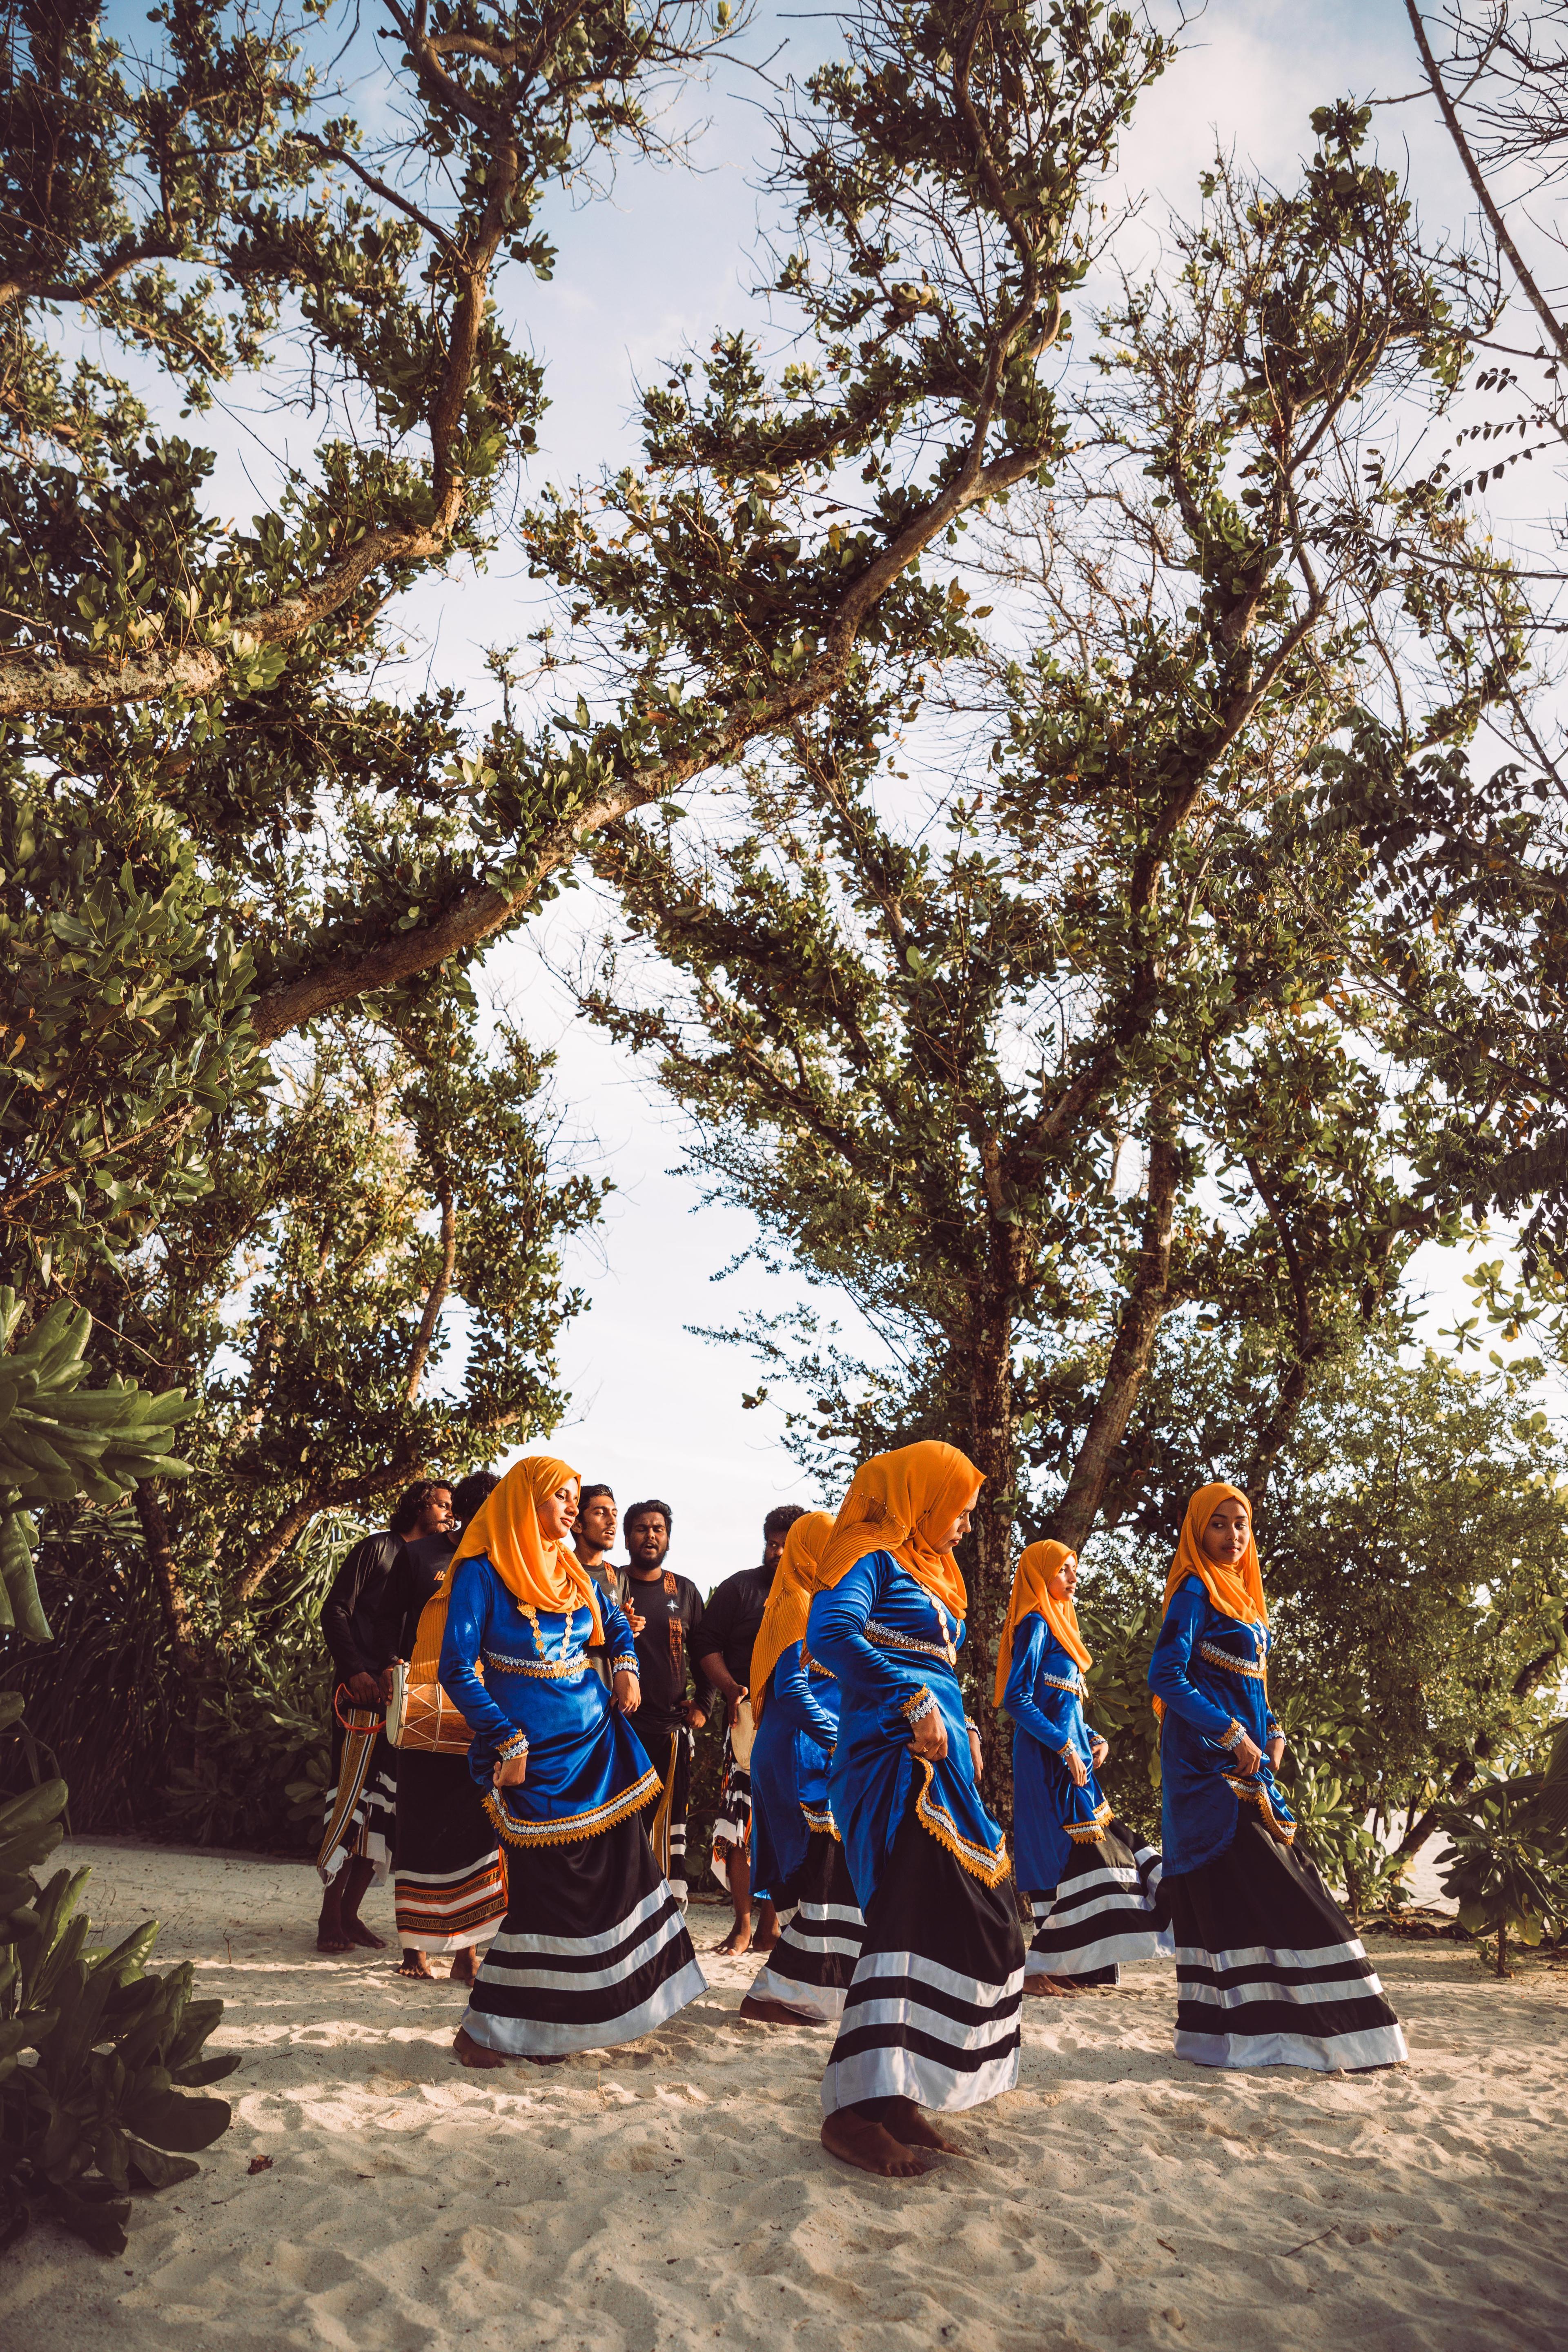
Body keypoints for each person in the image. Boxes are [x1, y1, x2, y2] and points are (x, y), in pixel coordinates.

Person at [437, 1455, 707, 2064]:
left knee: (620, 1874)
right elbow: (457, 1668)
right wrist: (506, 1738)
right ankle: (485, 2031)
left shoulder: (574, 1569)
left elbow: (614, 1624)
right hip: (532, 1755)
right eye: (560, 1497)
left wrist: (629, 1667)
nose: (571, 1508)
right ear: (523, 1502)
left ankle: (569, 2020)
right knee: (549, 1890)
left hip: (598, 1743)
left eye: (574, 1498)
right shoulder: (482, 1574)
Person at [806, 1443, 1024, 2178]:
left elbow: (935, 1663)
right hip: (894, 1759)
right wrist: (913, 1698)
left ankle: (894, 2095)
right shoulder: (868, 1556)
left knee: (949, 1916)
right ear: (921, 1498)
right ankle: (851, 2113)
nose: (964, 1526)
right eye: (958, 1510)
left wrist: (959, 1726)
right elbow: (828, 1636)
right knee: (912, 1915)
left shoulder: (932, 1566)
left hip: (937, 1752)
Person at [1148, 1482, 1407, 2072]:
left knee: (1253, 1892)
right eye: (1218, 1524)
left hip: (1247, 1765)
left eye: (1240, 1524)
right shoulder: (1194, 1591)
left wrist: (1274, 1729)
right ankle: (1340, 2035)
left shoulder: (1244, 1594)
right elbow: (1166, 1676)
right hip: (1208, 1770)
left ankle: (1247, 2037)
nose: (1232, 1536)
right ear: (1197, 1531)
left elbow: (1250, 1683)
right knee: (1283, 1888)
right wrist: (1230, 1733)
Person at [999, 1539, 1169, 1994]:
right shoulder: (1035, 1624)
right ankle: (1038, 1968)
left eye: (1075, 1570)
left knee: (1093, 1849)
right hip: (1045, 1760)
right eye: (1064, 1570)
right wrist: (1063, 1748)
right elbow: (1016, 1700)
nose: (1074, 1578)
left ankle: (1069, 1962)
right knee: (1062, 1852)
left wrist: (1093, 1739)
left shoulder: (1062, 1627)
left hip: (1072, 1760)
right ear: (1040, 1575)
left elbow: (1065, 1706)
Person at [738, 1509, 866, 2027]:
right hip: (800, 1751)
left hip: (815, 1750)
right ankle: (782, 1995)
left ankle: (808, 1989)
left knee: (824, 1869)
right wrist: (844, 1740)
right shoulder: (795, 1601)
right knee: (822, 1866)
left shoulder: (824, 1602)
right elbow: (790, 1689)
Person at [315, 1482, 449, 1954]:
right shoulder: (380, 1547)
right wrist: (354, 1671)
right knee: (352, 1798)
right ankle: (329, 1918)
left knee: (387, 1809)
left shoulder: (434, 1565)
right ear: (418, 1505)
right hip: (359, 1695)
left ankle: (351, 1916)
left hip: (405, 1701)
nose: (450, 1514)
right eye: (443, 1505)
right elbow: (335, 1610)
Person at [389, 1468, 507, 1982]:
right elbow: (385, 1623)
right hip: (424, 1707)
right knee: (418, 1822)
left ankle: (467, 1953)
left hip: (482, 1708)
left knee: (479, 1825)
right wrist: (391, 1680)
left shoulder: (503, 1565)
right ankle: (415, 1947)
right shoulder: (420, 1557)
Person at [695, 1503, 808, 1954]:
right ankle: (741, 1924)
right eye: (771, 1542)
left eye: (786, 1543)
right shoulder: (740, 1588)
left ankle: (770, 1925)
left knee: (781, 1823)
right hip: (746, 1725)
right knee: (738, 1825)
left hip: (798, 1731)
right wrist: (729, 1688)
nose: (777, 1552)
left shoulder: (824, 1593)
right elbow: (706, 1644)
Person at [617, 1499, 710, 1907]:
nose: (650, 1535)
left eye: (658, 1528)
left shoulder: (684, 1591)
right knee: (619, 1815)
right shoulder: (610, 1582)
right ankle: (618, 1899)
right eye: (641, 1528)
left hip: (670, 1727)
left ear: (668, 1537)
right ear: (627, 1537)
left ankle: (664, 1904)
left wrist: (704, 1704)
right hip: (615, 1725)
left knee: (667, 1819)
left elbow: (706, 1654)